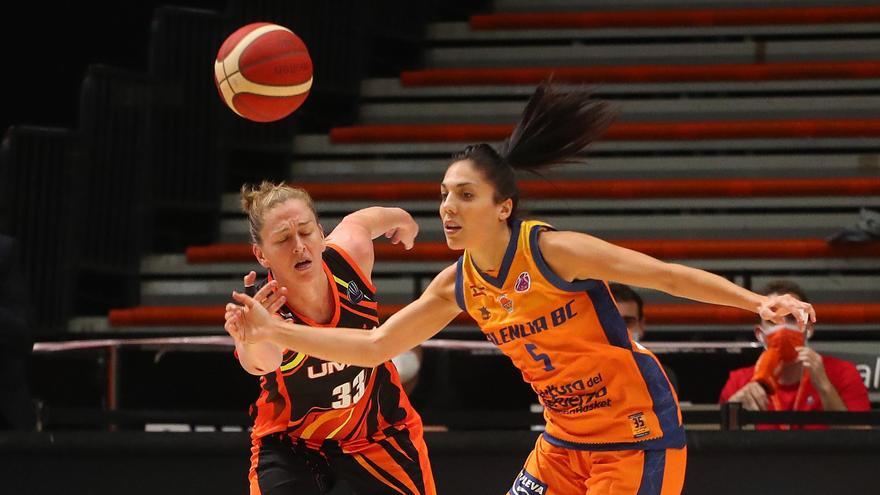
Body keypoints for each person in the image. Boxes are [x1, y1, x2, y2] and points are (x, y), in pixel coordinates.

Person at [227, 83, 815, 494]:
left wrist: (756, 301)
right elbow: (377, 345)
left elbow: (661, 274)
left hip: (635, 435)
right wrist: (276, 330)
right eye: (442, 194)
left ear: (503, 207)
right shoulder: (457, 284)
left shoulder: (551, 250)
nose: (446, 208)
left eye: (464, 196)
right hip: (562, 442)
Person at [228, 182, 434, 495]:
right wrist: (251, 336)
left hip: (379, 432)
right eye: (283, 239)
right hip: (293, 444)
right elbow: (259, 362)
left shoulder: (351, 257)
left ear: (322, 235)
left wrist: (402, 218)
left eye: (306, 232)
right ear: (261, 255)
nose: (299, 245)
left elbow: (363, 220)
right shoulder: (264, 311)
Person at [719, 280, 869, 429]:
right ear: (760, 334)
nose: (783, 327)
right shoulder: (739, 382)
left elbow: (864, 442)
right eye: (772, 319)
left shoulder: (843, 373)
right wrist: (733, 411)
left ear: (808, 328)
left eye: (792, 317)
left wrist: (824, 387)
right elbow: (713, 445)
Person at [609, 283, 679, 394]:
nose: (621, 330)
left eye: (628, 322)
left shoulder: (662, 375)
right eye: (613, 322)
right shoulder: (578, 372)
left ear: (641, 325)